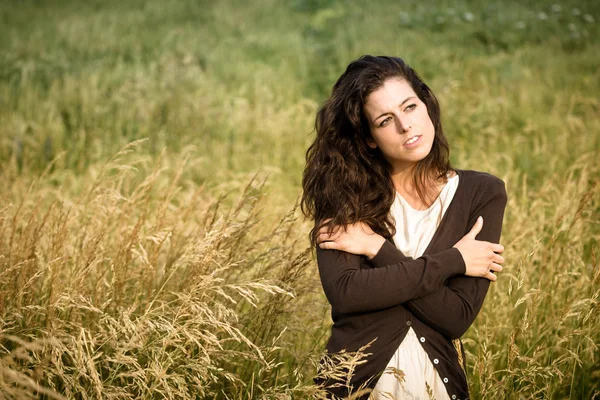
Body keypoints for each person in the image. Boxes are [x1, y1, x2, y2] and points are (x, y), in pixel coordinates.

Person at [301, 55, 507, 400]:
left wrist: (375, 249)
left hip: (437, 389)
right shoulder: (345, 195)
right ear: (369, 138)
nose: (406, 126)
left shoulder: (481, 193)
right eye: (385, 120)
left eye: (410, 107)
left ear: (426, 105)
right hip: (355, 388)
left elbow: (455, 317)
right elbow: (348, 292)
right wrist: (454, 260)